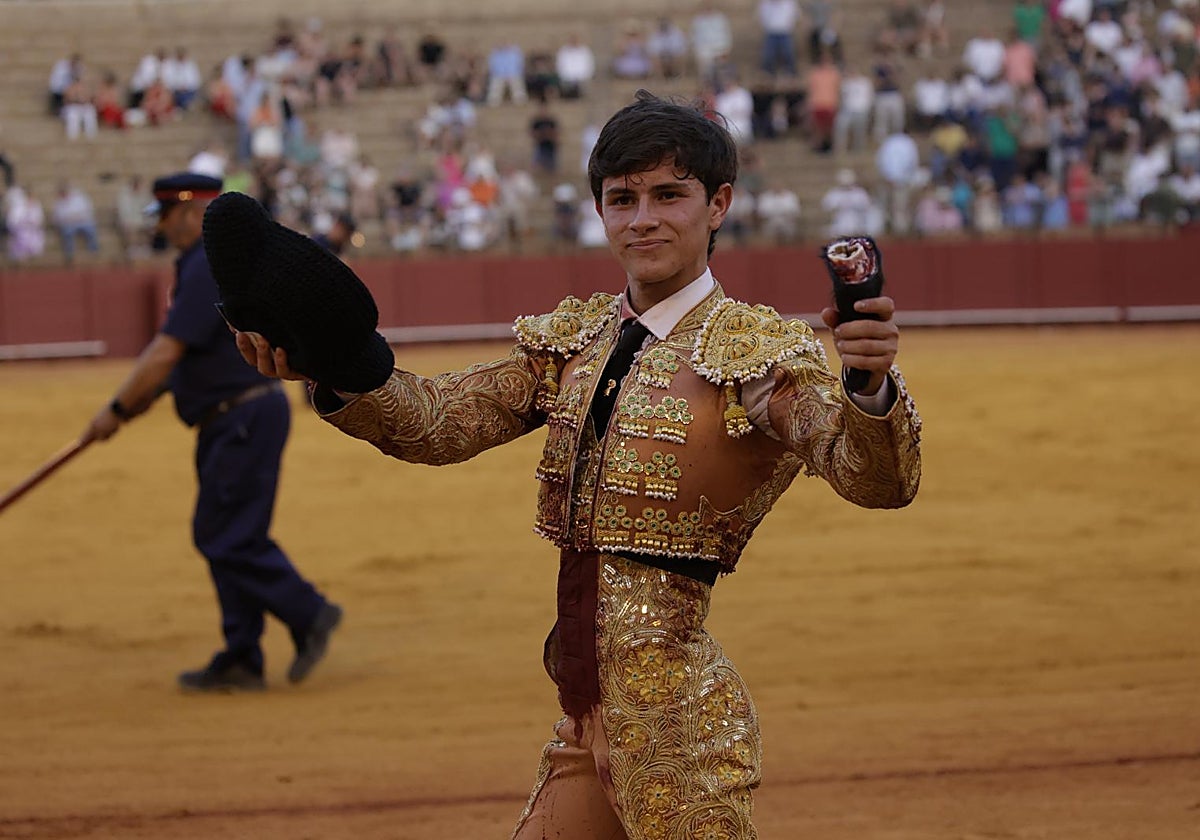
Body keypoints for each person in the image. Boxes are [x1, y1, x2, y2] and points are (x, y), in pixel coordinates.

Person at [224, 91, 921, 838]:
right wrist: (333, 365)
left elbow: (874, 479)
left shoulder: (754, 355)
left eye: (668, 195)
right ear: (600, 210)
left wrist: (868, 385)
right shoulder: (575, 341)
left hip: (676, 725)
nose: (643, 217)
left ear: (718, 205)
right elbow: (437, 423)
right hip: (583, 717)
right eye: (622, 198)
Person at [81, 172, 343, 693]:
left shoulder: (205, 263)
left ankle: (307, 611)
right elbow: (185, 356)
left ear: (190, 211)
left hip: (240, 416)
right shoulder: (206, 265)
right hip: (233, 417)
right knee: (229, 532)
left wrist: (116, 408)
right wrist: (137, 404)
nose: (161, 228)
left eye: (165, 216)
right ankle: (243, 653)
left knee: (224, 533)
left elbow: (167, 352)